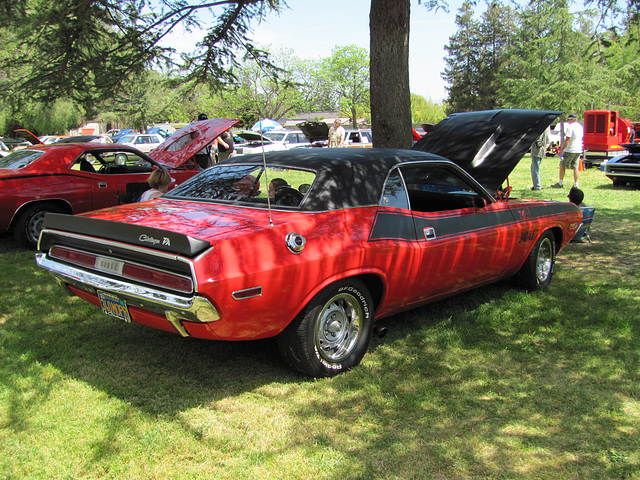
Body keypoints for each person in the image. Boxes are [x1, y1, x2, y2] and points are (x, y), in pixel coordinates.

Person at [551, 113, 584, 189]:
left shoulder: (570, 127)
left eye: (568, 119)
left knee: (562, 165)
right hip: (578, 149)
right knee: (576, 167)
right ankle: (576, 184)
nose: (568, 120)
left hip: (570, 150)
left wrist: (561, 150)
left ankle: (560, 183)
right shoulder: (580, 126)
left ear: (571, 119)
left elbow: (568, 139)